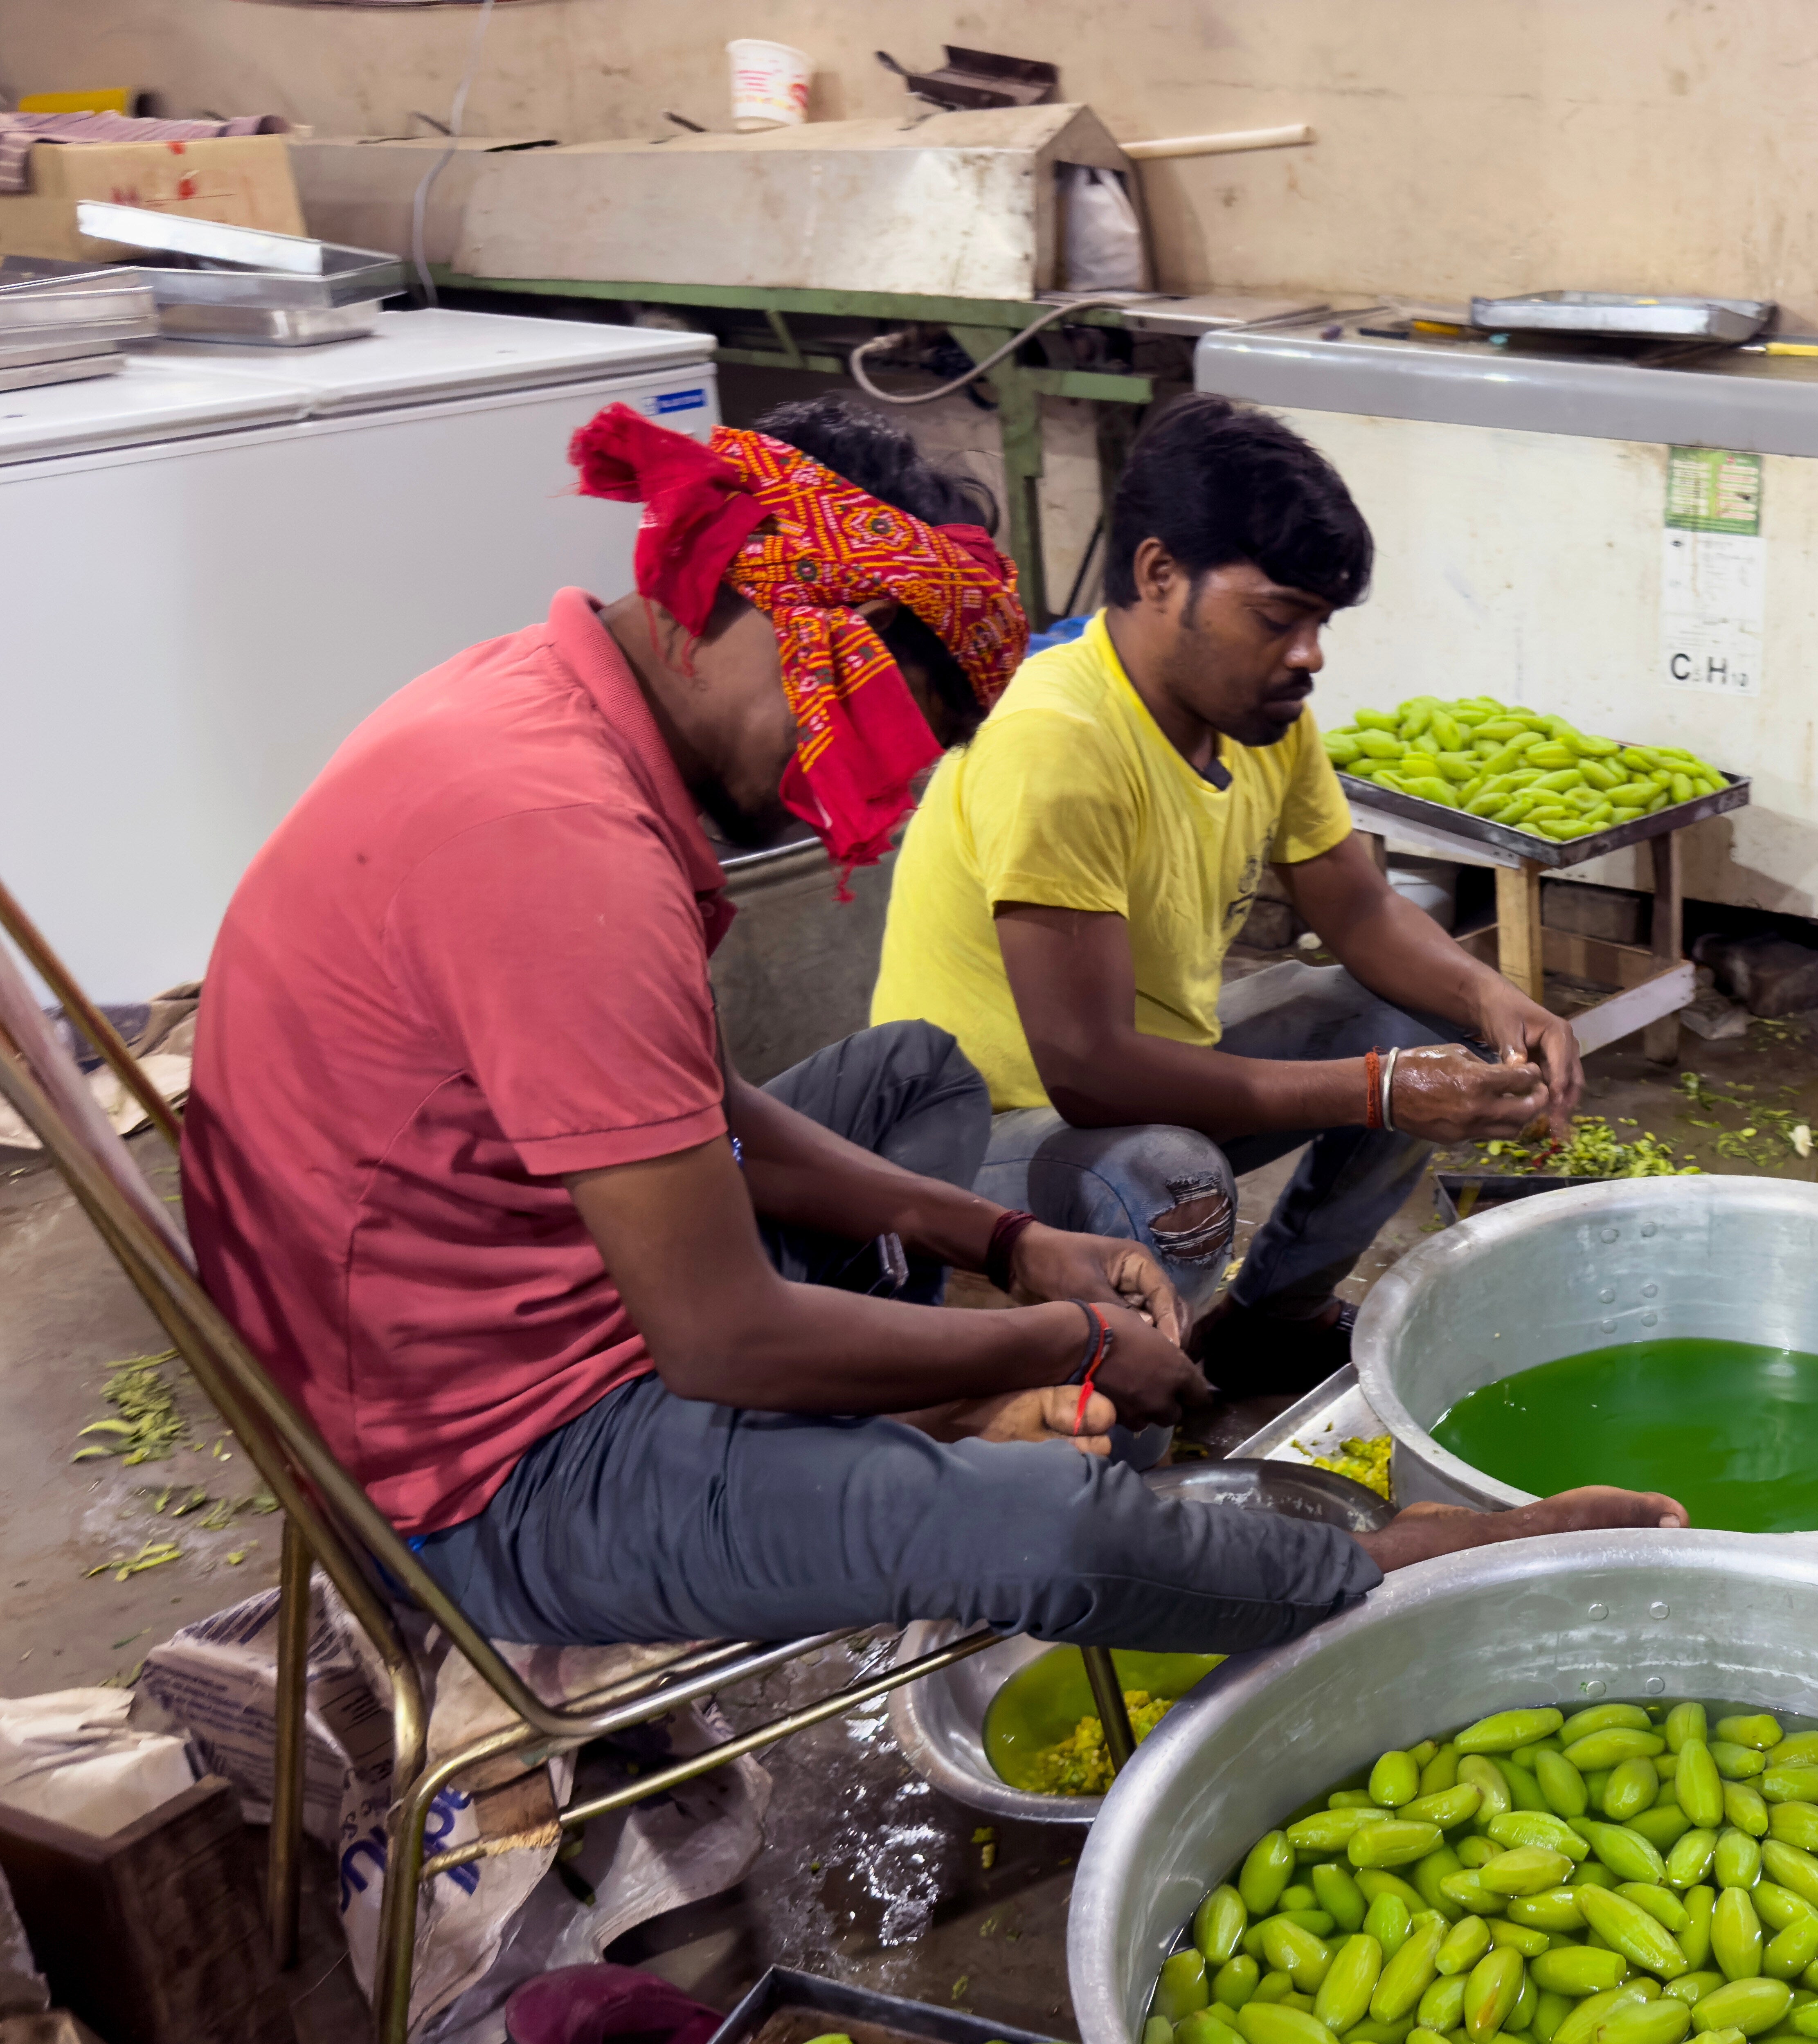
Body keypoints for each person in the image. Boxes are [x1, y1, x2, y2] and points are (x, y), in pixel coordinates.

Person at [181, 398, 1676, 1657]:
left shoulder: (535, 714)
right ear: (748, 595)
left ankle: (967, 1379)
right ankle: (1397, 1562)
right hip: (474, 1466)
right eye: (869, 706)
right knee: (1039, 1519)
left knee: (910, 1077)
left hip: (506, 1290)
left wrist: (1000, 1244)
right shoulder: (558, 844)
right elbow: (717, 1337)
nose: (877, 789)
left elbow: (697, 1104)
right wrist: (1066, 1334)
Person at [869, 393, 1577, 1401]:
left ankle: (1268, 1324)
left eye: (1320, 622)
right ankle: (1122, 1434)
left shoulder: (1258, 715)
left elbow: (1363, 911)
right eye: (1277, 618)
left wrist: (1495, 1003)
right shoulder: (1059, 741)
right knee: (1169, 1180)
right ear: (1161, 576)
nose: (1310, 653)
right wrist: (1378, 1089)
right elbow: (1090, 1075)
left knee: (1414, 1018)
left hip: (1134, 1080)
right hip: (975, 1138)